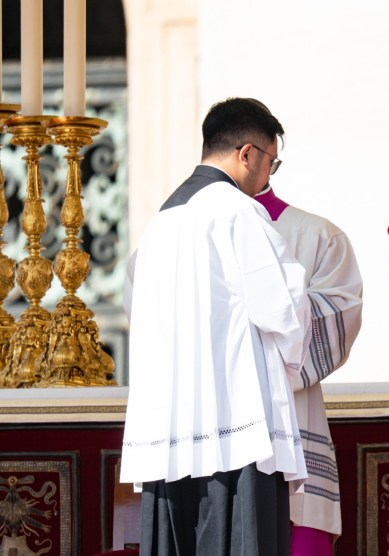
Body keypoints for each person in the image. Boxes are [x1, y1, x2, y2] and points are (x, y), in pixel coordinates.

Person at [121, 97, 311, 556]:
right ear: (247, 153)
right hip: (236, 427)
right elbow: (283, 309)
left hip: (170, 431)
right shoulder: (237, 212)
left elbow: (136, 310)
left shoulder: (159, 224)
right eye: (271, 162)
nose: (268, 178)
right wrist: (290, 364)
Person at [255, 182, 364, 555]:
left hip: (291, 422)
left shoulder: (316, 235)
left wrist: (240, 347)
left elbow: (340, 315)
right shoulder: (177, 232)